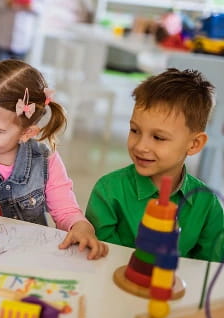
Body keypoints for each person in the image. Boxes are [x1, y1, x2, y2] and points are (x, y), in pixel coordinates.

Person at [0, 59, 108, 260]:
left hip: (24, 259)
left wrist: (81, 227)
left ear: (26, 132)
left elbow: (65, 210)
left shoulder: (45, 160)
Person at [86, 68, 223, 261]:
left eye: (158, 137)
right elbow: (100, 259)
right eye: (134, 130)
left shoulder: (208, 205)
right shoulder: (108, 191)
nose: (141, 146)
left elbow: (209, 268)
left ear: (194, 144)